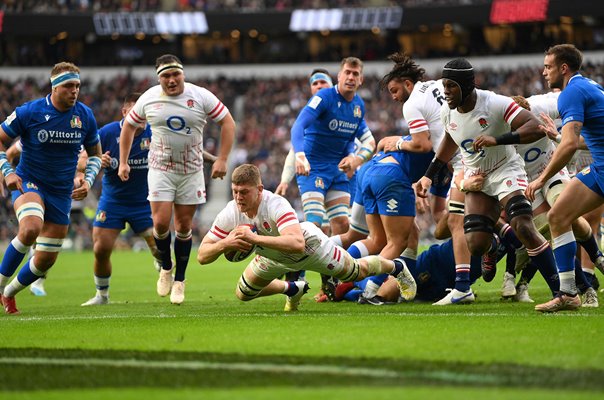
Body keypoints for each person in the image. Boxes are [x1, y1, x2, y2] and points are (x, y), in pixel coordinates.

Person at [415, 58, 560, 306]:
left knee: (523, 227)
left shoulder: (494, 102)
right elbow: (449, 141)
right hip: (476, 176)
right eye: (444, 85)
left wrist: (498, 139)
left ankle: (562, 292)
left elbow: (535, 127)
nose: (446, 92)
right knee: (476, 245)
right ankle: (493, 247)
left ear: (466, 86)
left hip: (506, 169)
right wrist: (428, 174)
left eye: (451, 86)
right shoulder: (447, 110)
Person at [196, 164, 417, 311]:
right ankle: (293, 288)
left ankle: (395, 268)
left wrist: (254, 240)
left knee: (355, 271)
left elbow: (296, 243)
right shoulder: (230, 212)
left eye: (244, 192)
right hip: (272, 257)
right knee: (243, 293)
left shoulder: (275, 204)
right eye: (235, 191)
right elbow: (203, 256)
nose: (238, 197)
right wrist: (225, 243)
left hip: (310, 248)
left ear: (259, 189)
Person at [118, 54, 235, 305]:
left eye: (175, 75)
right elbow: (128, 127)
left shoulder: (200, 95)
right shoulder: (149, 98)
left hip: (191, 170)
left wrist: (222, 158)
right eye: (165, 76)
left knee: (183, 227)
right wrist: (124, 160)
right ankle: (166, 267)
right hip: (160, 168)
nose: (171, 80)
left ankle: (180, 280)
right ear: (159, 78)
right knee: (160, 224)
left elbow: (227, 122)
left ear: (182, 74)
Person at [0, 62, 101, 314]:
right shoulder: (30, 112)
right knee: (31, 228)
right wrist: (8, 172)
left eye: (77, 85)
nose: (74, 91)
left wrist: (87, 180)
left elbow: (96, 155)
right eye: (68, 85)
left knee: (46, 259)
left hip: (61, 192)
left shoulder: (85, 115)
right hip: (29, 181)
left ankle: (8, 292)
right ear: (54, 87)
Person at [526, 44, 604, 312]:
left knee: (558, 216)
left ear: (563, 68)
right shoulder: (586, 86)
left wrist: (539, 180)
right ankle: (569, 294)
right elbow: (584, 139)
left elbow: (570, 146)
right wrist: (558, 137)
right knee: (558, 216)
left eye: (548, 66)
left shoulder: (570, 92)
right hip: (599, 169)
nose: (544, 71)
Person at [80, 93, 162, 306]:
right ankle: (102, 296)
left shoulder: (156, 132)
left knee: (160, 250)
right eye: (135, 111)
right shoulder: (107, 133)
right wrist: (96, 159)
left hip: (146, 201)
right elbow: (79, 158)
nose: (140, 116)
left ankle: (160, 260)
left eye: (143, 111)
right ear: (124, 112)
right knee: (101, 248)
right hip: (113, 201)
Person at [291, 57, 375, 236]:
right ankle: (296, 260)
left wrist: (354, 158)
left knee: (343, 224)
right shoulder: (324, 97)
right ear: (339, 76)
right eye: (347, 73)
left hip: (337, 171)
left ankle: (334, 264)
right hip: (313, 168)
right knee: (315, 223)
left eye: (355, 74)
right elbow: (298, 125)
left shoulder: (358, 106)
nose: (351, 77)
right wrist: (300, 155)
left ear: (361, 80)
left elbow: (366, 141)